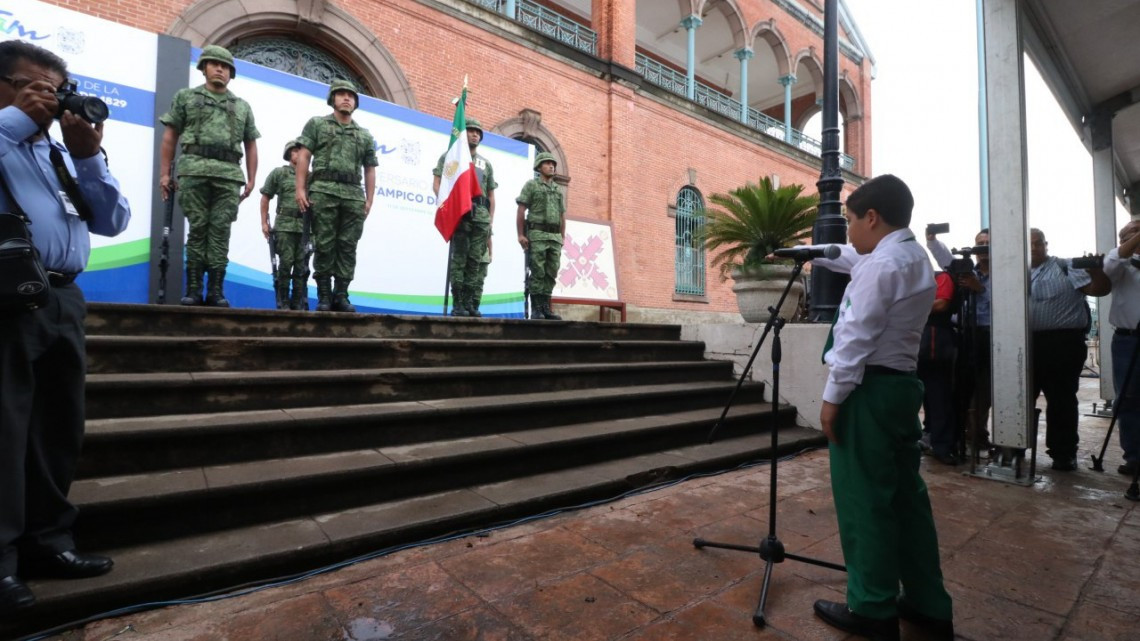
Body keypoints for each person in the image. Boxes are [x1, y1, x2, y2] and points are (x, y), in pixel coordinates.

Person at [0, 40, 131, 616]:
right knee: (2, 433)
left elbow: (111, 219)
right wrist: (10, 123)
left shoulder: (55, 154)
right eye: (32, 86)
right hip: (5, 299)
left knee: (57, 429)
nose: (47, 101)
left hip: (60, 298)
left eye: (55, 91)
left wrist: (86, 157)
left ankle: (49, 542)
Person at [808, 175, 954, 641]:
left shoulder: (879, 266)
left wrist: (832, 400)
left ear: (872, 217)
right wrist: (813, 254)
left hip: (867, 393)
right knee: (906, 500)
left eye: (850, 220)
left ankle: (872, 607)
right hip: (901, 390)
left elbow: (855, 337)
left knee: (864, 502)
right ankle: (928, 604)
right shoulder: (912, 256)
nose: (847, 231)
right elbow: (853, 258)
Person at [159, 44, 259, 308]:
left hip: (228, 175)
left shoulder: (242, 106)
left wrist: (251, 178)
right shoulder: (186, 97)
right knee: (198, 229)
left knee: (220, 232)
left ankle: (215, 290)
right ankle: (193, 289)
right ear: (204, 67)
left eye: (225, 66)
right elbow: (171, 135)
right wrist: (164, 174)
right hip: (194, 170)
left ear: (231, 73)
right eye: (214, 64)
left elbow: (251, 143)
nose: (220, 69)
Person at [1028, 228, 1111, 471]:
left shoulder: (1066, 267)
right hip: (1024, 343)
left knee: (1061, 399)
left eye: (1038, 243)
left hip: (1062, 344)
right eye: (1029, 244)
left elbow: (1098, 290)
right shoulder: (1013, 271)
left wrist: (1097, 271)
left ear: (1046, 244)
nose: (1034, 248)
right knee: (1020, 395)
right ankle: (1014, 446)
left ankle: (1063, 453)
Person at [294, 79, 377, 312]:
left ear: (356, 102)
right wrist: (300, 189)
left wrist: (369, 199)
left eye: (350, 95)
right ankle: (323, 295)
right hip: (323, 191)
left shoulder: (364, 135)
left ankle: (341, 295)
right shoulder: (317, 124)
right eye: (341, 94)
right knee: (324, 244)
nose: (346, 98)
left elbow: (370, 168)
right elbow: (304, 156)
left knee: (348, 246)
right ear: (332, 99)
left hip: (353, 196)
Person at [433, 117, 496, 317]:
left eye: (478, 132)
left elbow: (491, 195)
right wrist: (448, 205)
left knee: (475, 261)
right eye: (470, 130)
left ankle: (469, 303)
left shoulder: (486, 164)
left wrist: (490, 220)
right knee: (459, 260)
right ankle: (458, 303)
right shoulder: (451, 157)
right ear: (462, 133)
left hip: (481, 217)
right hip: (460, 214)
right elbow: (438, 183)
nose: (475, 134)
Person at [1102, 220, 1140, 475]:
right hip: (1129, 340)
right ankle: (1135, 457)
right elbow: (1108, 267)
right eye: (1133, 233)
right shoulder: (1119, 262)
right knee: (1127, 399)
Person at [516, 151, 565, 320]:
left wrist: (562, 237)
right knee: (538, 271)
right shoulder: (531, 185)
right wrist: (521, 234)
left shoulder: (557, 190)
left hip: (554, 237)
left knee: (551, 272)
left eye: (553, 164)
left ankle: (546, 307)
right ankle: (536, 308)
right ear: (539, 166)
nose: (551, 166)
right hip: (536, 234)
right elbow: (521, 210)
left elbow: (561, 215)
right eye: (547, 163)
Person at [260, 139, 308, 310]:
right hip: (284, 226)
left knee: (302, 268)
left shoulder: (310, 177)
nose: (298, 154)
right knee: (286, 264)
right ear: (289, 154)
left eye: (301, 151)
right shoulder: (279, 173)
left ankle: (297, 303)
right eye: (295, 151)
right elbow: (265, 196)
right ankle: (284, 302)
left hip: (304, 228)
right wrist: (264, 223)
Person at [918, 268, 959, 465]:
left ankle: (942, 446)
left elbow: (942, 304)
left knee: (939, 398)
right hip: (907, 347)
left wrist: (909, 307)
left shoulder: (939, 276)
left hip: (935, 348)